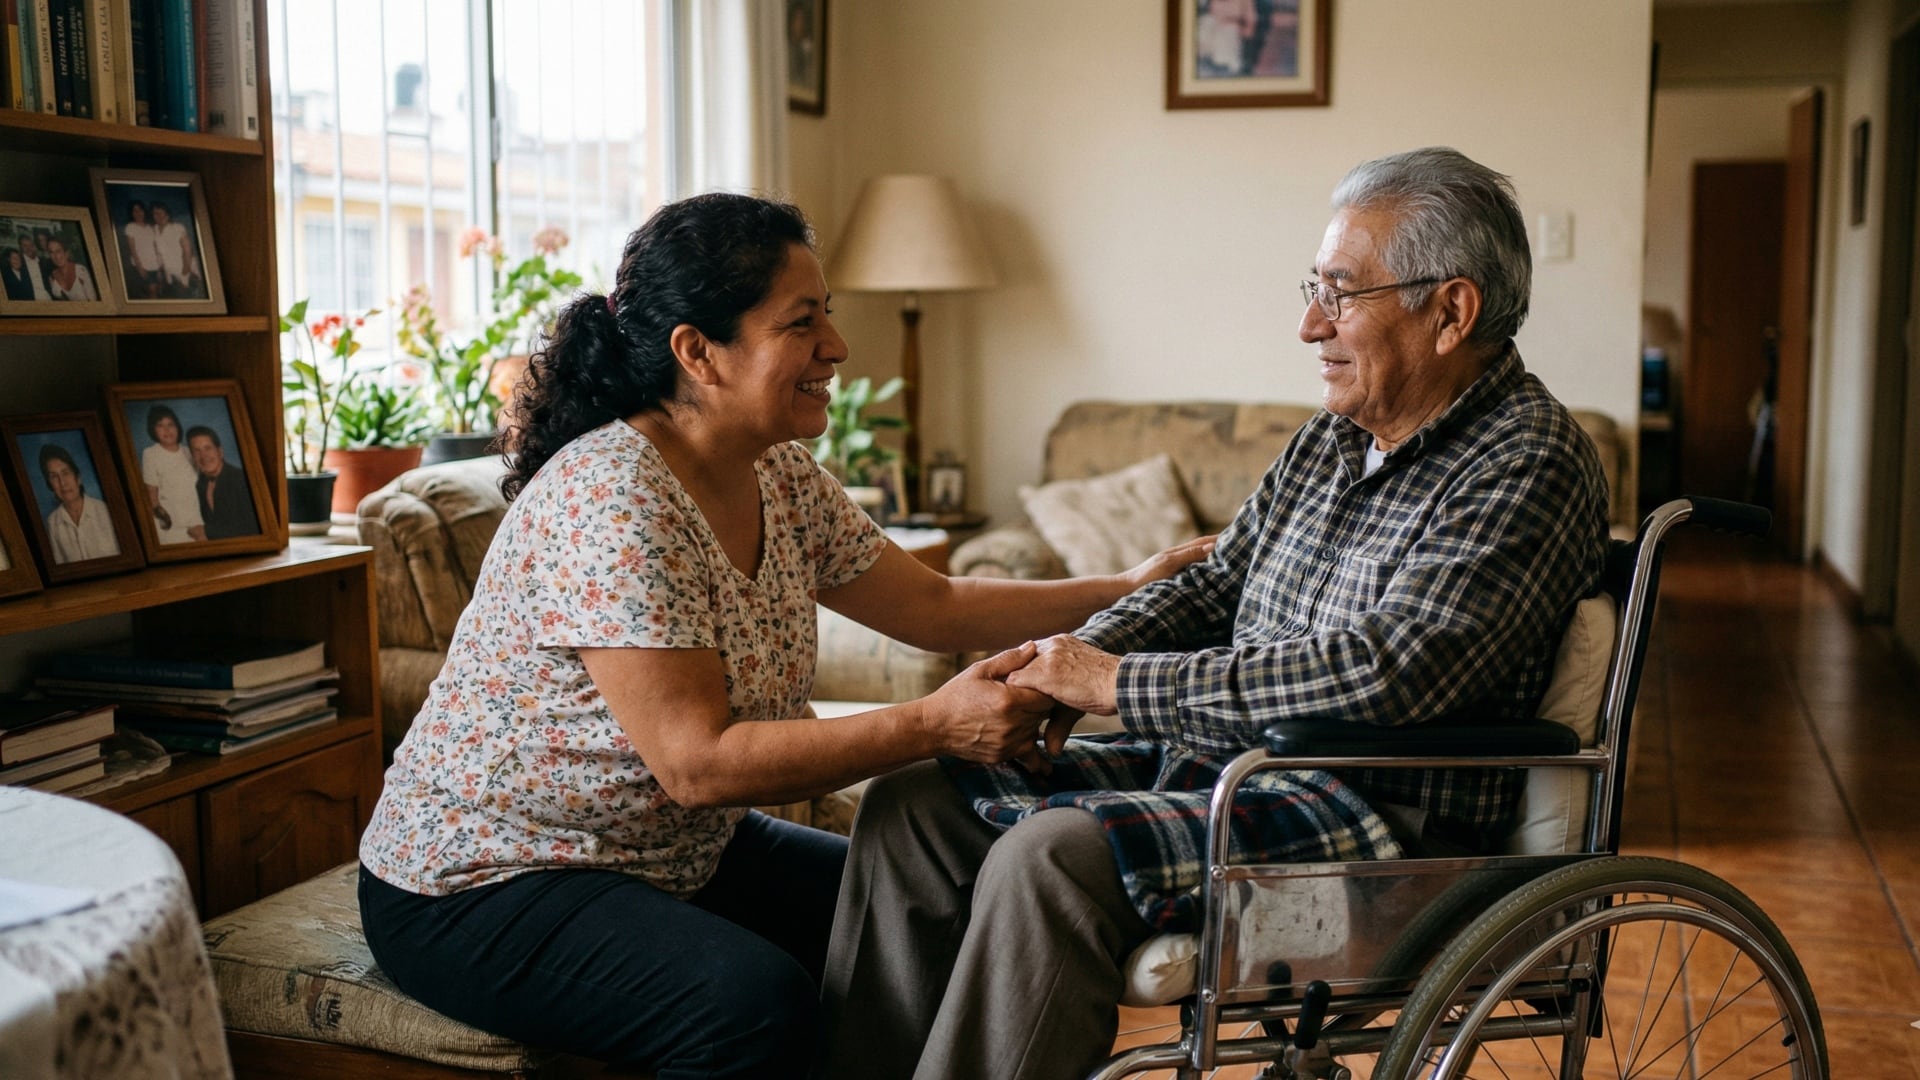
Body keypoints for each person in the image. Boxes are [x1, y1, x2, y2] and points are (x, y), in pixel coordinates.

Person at [354, 191, 1212, 1080]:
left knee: (924, 907)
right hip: (485, 880)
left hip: (671, 855)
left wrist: (1124, 587)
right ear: (698, 352)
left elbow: (936, 605)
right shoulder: (613, 498)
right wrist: (935, 723)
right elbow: (698, 765)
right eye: (802, 323)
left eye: (825, 316)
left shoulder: (776, 472)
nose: (835, 346)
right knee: (750, 1005)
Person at [818, 147, 1615, 1080]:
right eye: (1314, 289)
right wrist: (1057, 671)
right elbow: (1214, 582)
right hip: (1233, 770)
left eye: (1341, 294)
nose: (1309, 324)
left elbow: (1386, 670)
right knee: (914, 806)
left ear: (1452, 311)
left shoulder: (1527, 460)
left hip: (1378, 819)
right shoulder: (1333, 436)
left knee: (1051, 857)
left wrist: (1119, 685)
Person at [39, 444, 122, 564]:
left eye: (65, 473)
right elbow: (61, 568)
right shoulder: (52, 523)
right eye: (54, 477)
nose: (62, 483)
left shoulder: (106, 511)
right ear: (50, 485)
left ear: (78, 478)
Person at [140, 405, 205, 543]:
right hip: (170, 525)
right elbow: (152, 497)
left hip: (198, 520)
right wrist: (167, 522)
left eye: (170, 424)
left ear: (177, 427)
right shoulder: (150, 454)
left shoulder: (189, 451)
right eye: (160, 425)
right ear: (153, 429)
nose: (167, 430)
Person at [187, 426, 259, 539]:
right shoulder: (200, 484)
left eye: (207, 448)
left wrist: (207, 532)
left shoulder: (242, 480)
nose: (203, 456)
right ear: (193, 458)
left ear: (220, 451)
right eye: (197, 451)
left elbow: (254, 529)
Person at [150, 203, 202, 298]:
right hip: (169, 272)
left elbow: (188, 250)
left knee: (190, 296)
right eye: (155, 213)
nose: (159, 216)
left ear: (167, 214)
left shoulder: (178, 228)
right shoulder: (154, 230)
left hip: (183, 269)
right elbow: (158, 253)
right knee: (177, 296)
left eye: (161, 213)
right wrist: (160, 270)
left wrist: (185, 271)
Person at [121, 200, 166, 299]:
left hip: (155, 265)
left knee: (159, 290)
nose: (138, 213)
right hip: (142, 265)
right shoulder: (130, 227)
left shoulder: (151, 227)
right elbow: (132, 250)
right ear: (131, 213)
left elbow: (156, 248)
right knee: (152, 290)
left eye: (140, 210)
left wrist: (160, 266)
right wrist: (140, 268)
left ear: (144, 211)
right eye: (135, 211)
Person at [43, 236, 99, 303]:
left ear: (66, 252)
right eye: (51, 252)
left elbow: (94, 301)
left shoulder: (81, 271)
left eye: (58, 251)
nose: (56, 256)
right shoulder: (52, 278)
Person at [14, 232, 53, 301]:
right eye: (25, 245)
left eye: (31, 245)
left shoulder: (43, 261)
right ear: (20, 247)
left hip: (48, 298)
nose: (29, 248)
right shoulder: (19, 264)